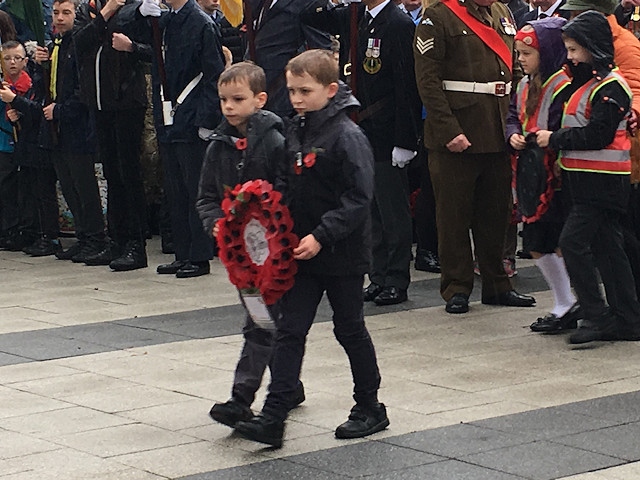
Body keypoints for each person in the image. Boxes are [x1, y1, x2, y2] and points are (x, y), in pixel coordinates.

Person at [234, 49, 388, 448]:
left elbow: (359, 197)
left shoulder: (347, 136)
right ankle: (274, 415)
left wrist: (322, 235)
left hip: (341, 253)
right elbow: (288, 183)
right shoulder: (297, 130)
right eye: (291, 91)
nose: (297, 99)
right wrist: (270, 218)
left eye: (305, 90)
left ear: (331, 89)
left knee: (349, 328)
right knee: (289, 331)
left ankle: (369, 406)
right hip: (299, 251)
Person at [195, 62, 304, 427]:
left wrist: (273, 229)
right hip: (239, 253)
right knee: (263, 320)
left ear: (259, 99)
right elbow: (207, 197)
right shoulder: (217, 146)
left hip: (272, 253)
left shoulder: (275, 140)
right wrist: (216, 225)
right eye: (223, 99)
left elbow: (286, 189)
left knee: (261, 324)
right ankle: (290, 386)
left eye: (237, 99)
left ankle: (241, 398)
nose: (228, 106)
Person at [414, 0, 536, 314]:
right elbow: (428, 80)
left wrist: (517, 120)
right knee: (453, 215)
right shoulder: (438, 16)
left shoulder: (501, 13)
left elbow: (515, 70)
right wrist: (447, 129)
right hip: (458, 130)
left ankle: (498, 284)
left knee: (496, 213)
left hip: (497, 128)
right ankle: (456, 287)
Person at [303, 0, 422, 306]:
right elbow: (309, 15)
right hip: (359, 131)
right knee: (371, 211)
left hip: (385, 131)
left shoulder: (397, 23)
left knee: (392, 211)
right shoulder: (356, 16)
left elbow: (407, 85)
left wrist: (405, 140)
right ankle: (379, 275)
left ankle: (396, 277)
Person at [535, 11, 640, 344]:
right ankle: (627, 317)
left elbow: (598, 134)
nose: (570, 57)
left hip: (603, 182)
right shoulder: (590, 84)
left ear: (594, 48)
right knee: (608, 248)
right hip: (588, 181)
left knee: (573, 243)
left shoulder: (610, 86)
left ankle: (597, 315)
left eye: (575, 50)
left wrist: (554, 139)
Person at [121, 0, 225, 278]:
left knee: (194, 191)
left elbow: (214, 76)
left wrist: (206, 120)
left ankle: (200, 255)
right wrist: (139, 12)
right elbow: (128, 29)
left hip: (190, 118)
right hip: (168, 118)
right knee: (175, 191)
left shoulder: (201, 24)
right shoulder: (166, 21)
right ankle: (182, 253)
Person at [506, 18, 583, 333]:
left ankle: (577, 302)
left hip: (557, 177)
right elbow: (513, 114)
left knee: (562, 241)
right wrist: (512, 133)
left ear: (548, 52)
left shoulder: (564, 85)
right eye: (519, 53)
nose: (521, 59)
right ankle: (563, 300)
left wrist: (546, 135)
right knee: (537, 243)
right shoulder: (523, 84)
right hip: (530, 175)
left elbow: (567, 125)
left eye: (527, 53)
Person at [23, 0, 107, 262]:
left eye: (66, 13)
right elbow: (44, 86)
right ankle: (83, 236)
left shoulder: (79, 46)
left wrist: (60, 110)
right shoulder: (53, 47)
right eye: (56, 13)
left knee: (83, 185)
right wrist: (39, 66)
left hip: (77, 127)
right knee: (68, 185)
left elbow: (83, 91)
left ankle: (95, 237)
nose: (59, 18)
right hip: (55, 130)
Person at [73, 0, 150, 270]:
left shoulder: (137, 8)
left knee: (129, 172)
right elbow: (79, 43)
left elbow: (154, 51)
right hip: (99, 102)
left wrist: (132, 47)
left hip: (127, 100)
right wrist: (104, 14)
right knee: (111, 172)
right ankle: (116, 240)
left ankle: (136, 244)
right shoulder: (88, 10)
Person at [0, 40, 60, 256]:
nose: (12, 62)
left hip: (38, 144)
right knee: (22, 190)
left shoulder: (36, 80)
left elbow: (38, 110)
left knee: (42, 192)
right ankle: (25, 230)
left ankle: (48, 235)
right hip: (18, 146)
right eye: (7, 58)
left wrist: (15, 101)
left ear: (26, 60)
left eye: (17, 58)